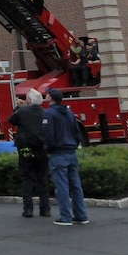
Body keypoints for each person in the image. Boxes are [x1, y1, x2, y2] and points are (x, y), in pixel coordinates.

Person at [44, 88, 88, 225]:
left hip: (58, 153)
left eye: (47, 94)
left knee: (62, 186)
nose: (45, 95)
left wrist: (48, 149)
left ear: (51, 98)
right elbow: (76, 131)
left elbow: (48, 135)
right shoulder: (69, 112)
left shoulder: (49, 114)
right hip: (71, 152)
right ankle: (81, 215)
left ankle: (65, 217)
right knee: (76, 185)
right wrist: (74, 144)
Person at [8, 89, 51, 218]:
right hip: (42, 149)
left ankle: (28, 209)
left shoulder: (22, 112)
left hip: (26, 149)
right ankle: (45, 209)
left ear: (29, 100)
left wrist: (18, 107)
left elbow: (11, 120)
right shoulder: (45, 112)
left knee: (26, 176)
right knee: (43, 177)